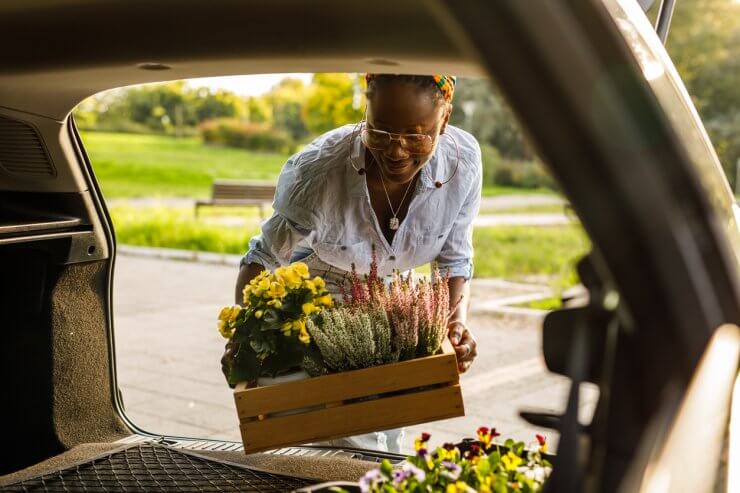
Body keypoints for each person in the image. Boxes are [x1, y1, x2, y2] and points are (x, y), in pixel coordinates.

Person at [223, 73, 481, 452]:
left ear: (444, 120)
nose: (396, 151)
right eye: (380, 132)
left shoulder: (464, 163)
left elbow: (455, 261)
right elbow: (262, 256)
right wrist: (243, 332)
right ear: (366, 110)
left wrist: (455, 324)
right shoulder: (320, 171)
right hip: (320, 303)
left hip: (394, 309)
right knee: (347, 438)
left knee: (389, 431)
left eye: (416, 134)